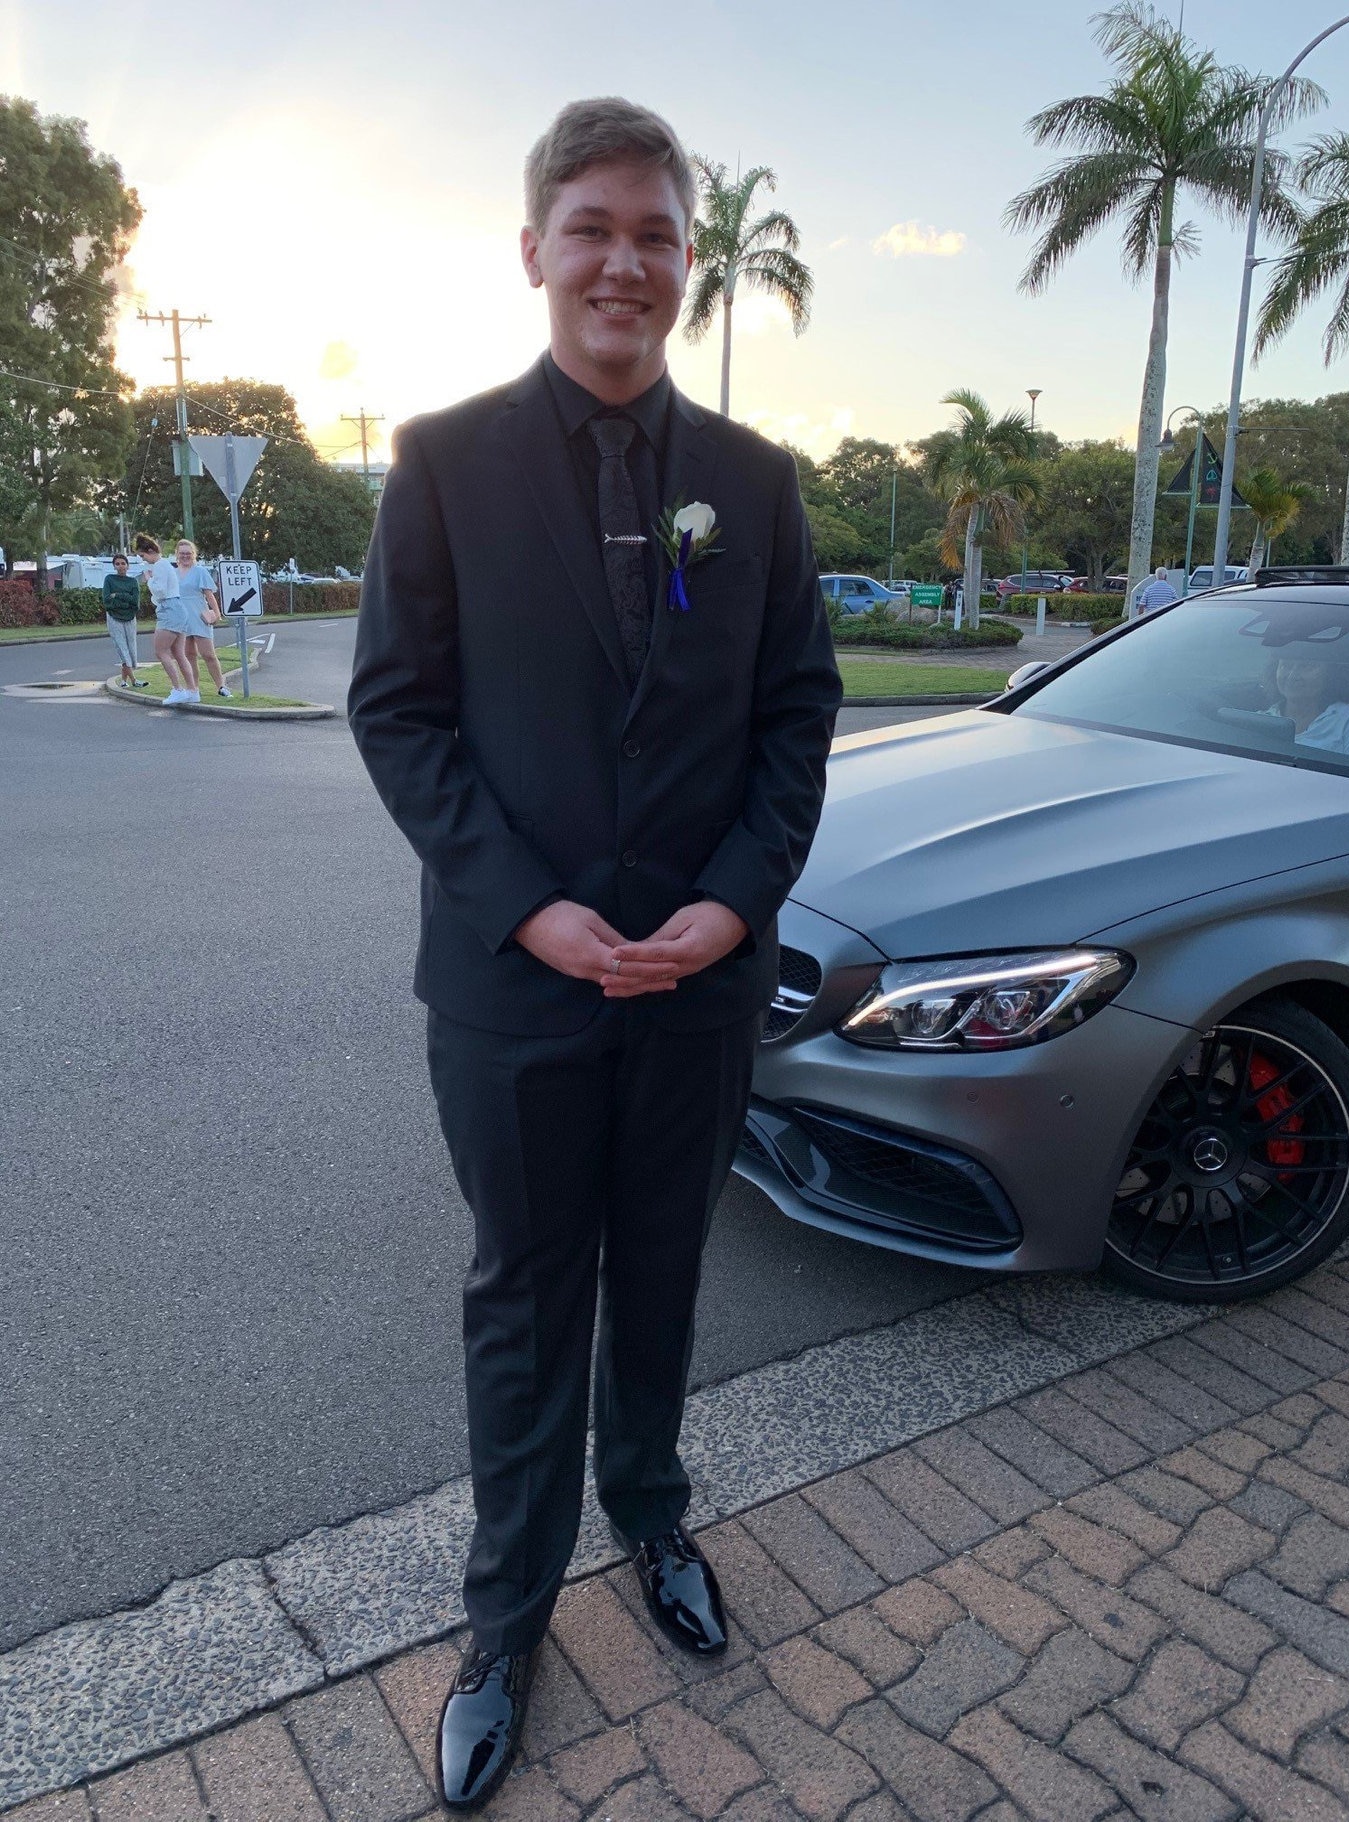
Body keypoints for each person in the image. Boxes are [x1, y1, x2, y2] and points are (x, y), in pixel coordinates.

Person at [349, 97, 841, 1814]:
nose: (625, 259)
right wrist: (529, 906)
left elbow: (796, 717)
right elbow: (399, 715)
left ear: (687, 264)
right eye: (595, 226)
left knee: (664, 1274)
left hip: (699, 986)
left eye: (657, 233)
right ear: (538, 251)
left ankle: (653, 1513)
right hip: (512, 990)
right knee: (523, 1289)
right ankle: (504, 1613)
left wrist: (730, 901)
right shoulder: (445, 461)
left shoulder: (757, 489)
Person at [134, 533, 196, 704]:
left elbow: (160, 590)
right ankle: (192, 690)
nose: (144, 559)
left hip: (169, 609)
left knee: (161, 651)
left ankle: (178, 689)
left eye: (142, 555)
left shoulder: (160, 566)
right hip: (177, 608)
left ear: (150, 551)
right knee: (178, 653)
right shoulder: (166, 566)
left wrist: (149, 580)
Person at [1267, 654, 1349, 757]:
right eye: (1286, 665)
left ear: (1330, 673)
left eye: (1306, 666)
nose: (1292, 676)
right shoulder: (1258, 720)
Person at [173, 539, 230, 699]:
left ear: (193, 555)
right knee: (189, 655)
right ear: (177, 554)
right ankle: (193, 688)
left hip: (199, 616)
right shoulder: (173, 573)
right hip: (181, 619)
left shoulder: (200, 571)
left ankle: (221, 686)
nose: (185, 556)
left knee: (208, 654)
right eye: (182, 553)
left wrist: (217, 613)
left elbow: (209, 595)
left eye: (188, 553)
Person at [102, 554, 147, 689]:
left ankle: (123, 680)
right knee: (122, 648)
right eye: (117, 564)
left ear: (128, 565)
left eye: (123, 563)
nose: (121, 566)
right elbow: (107, 601)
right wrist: (125, 600)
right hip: (114, 618)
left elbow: (135, 603)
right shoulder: (109, 579)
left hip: (130, 618)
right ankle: (134, 680)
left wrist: (118, 595)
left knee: (131, 648)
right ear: (114, 566)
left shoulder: (132, 582)